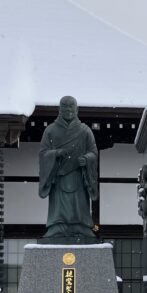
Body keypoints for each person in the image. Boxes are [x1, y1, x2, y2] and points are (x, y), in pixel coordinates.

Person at [37, 96, 98, 241]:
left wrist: (87, 159)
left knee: (79, 204)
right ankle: (57, 227)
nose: (69, 110)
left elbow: (93, 152)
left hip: (78, 174)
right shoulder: (50, 130)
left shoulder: (85, 130)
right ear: (59, 109)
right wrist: (55, 153)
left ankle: (81, 226)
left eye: (72, 107)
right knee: (59, 205)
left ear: (77, 109)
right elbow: (43, 153)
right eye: (65, 106)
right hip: (58, 175)